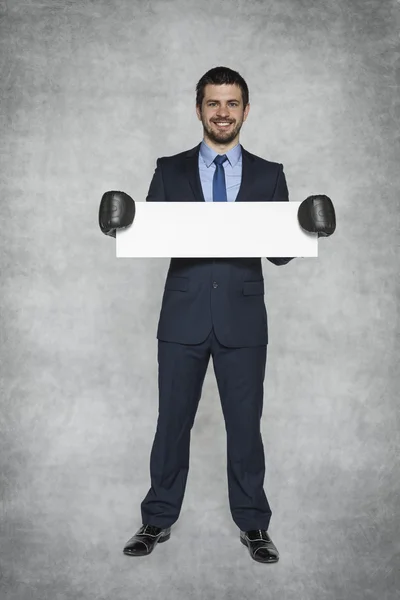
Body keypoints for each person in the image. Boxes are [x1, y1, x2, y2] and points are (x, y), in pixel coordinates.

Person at [99, 66, 335, 563]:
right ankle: (156, 519)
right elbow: (149, 237)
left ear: (246, 110)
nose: (222, 112)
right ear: (199, 108)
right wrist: (119, 225)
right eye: (213, 103)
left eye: (232, 104)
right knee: (172, 424)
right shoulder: (171, 169)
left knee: (245, 428)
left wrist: (308, 229)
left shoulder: (270, 173)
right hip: (183, 317)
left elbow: (279, 252)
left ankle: (254, 524)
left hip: (243, 321)